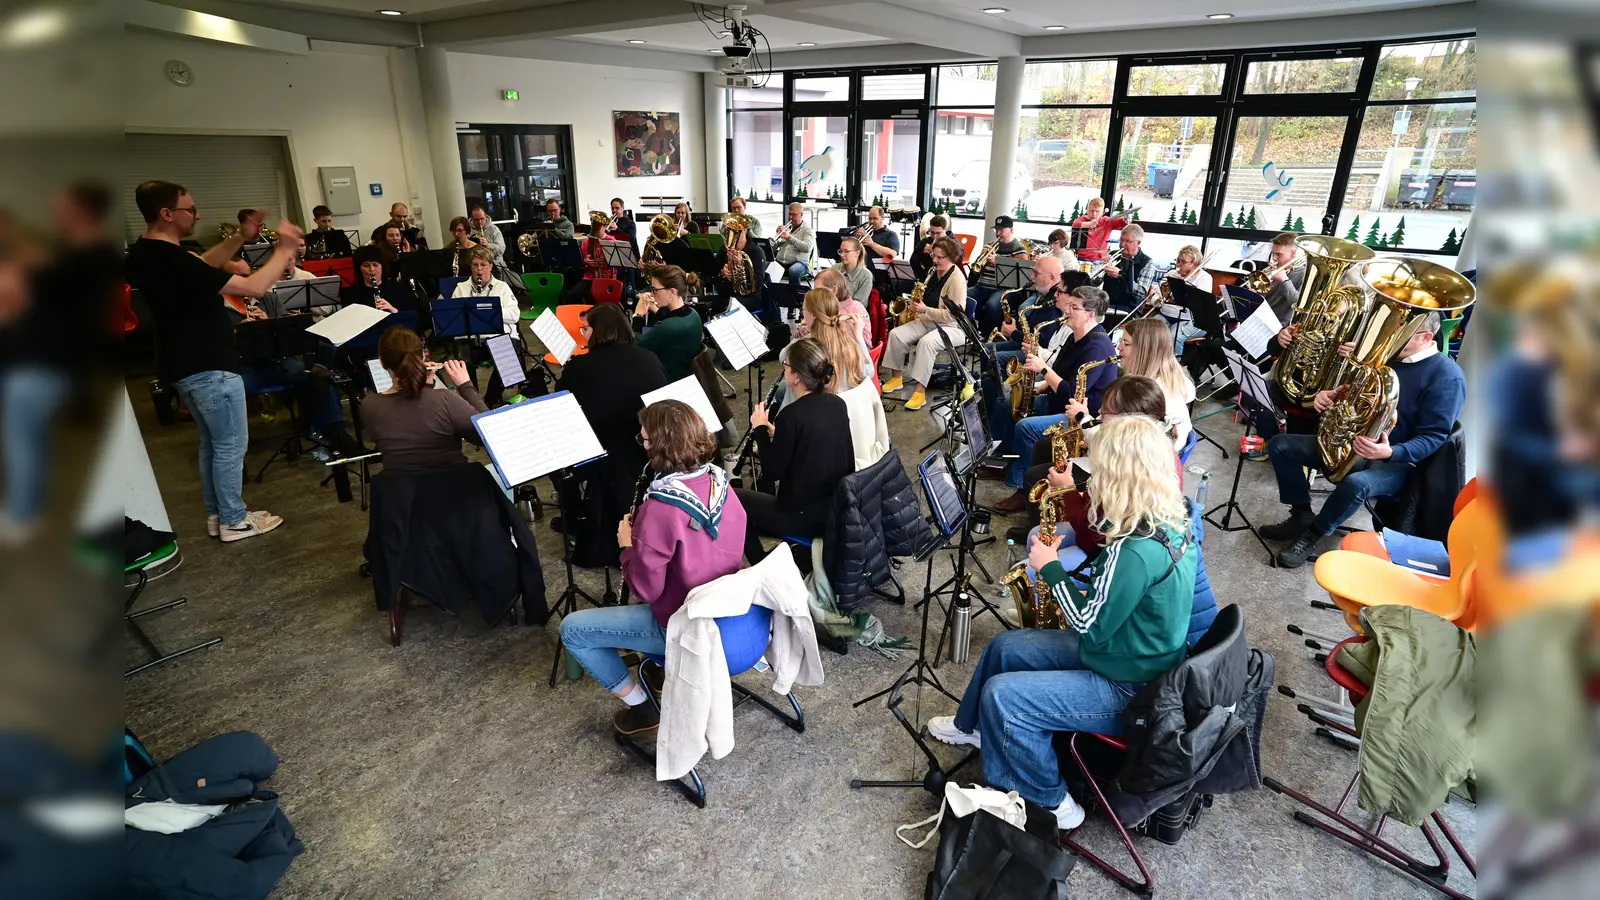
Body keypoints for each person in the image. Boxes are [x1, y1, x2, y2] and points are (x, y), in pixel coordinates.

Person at [925, 414, 1197, 830]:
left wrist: (1050, 567)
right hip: (1127, 656)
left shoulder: (1135, 551)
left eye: (1100, 467)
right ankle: (974, 729)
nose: (1094, 474)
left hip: (1130, 689)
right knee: (1005, 648)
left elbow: (1086, 622)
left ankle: (1050, 801)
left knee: (1004, 697)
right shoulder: (1171, 520)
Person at [125, 179, 301, 542]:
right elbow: (254, 287)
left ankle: (217, 515)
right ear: (166, 213)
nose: (197, 214)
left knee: (213, 444)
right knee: (231, 446)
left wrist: (242, 237)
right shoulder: (175, 262)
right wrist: (283, 250)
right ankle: (234, 520)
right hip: (208, 366)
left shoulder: (146, 253)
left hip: (182, 365)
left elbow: (203, 265)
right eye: (190, 209)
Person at [559, 399, 748, 737]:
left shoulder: (659, 508)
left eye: (644, 439)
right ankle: (661, 672)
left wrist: (628, 546)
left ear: (659, 447)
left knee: (574, 629)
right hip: (732, 615)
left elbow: (648, 590)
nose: (642, 445)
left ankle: (643, 707)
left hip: (683, 625)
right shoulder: (724, 484)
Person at [1263, 312, 1464, 568]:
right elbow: (1351, 393)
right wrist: (1330, 396)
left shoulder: (1447, 377)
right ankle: (1300, 513)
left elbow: (1434, 437)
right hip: (1352, 444)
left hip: (1399, 462)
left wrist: (1390, 452)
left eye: (1401, 335)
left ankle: (1313, 533)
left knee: (1357, 484)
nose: (1391, 339)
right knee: (1281, 446)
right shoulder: (1386, 358)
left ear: (1425, 337)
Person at [0, 181, 119, 544]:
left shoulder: (94, 260)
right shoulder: (63, 256)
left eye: (62, 207)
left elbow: (70, 317)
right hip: (31, 359)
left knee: (22, 438)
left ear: (81, 211)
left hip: (50, 365)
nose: (55, 213)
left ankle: (23, 515)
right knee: (22, 437)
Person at [1005, 375, 1180, 547]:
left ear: (1129, 421)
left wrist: (1068, 491)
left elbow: (1092, 538)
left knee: (1035, 537)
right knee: (1044, 450)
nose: (1101, 411)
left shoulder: (1124, 471)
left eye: (1108, 409)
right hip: (1103, 533)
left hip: (1101, 547)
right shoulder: (1149, 449)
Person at [553, 303, 669, 555]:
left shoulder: (580, 367)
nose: (583, 333)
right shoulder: (649, 358)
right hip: (649, 449)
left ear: (597, 331)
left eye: (585, 328)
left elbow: (561, 406)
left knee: (552, 448)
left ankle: (577, 513)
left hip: (600, 454)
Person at [987, 285, 1116, 507]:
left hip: (1082, 417)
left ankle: (1021, 487)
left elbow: (1073, 392)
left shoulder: (1097, 347)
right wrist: (1038, 388)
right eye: (1068, 305)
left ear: (1090, 315)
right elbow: (1064, 374)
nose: (1067, 310)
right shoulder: (1076, 336)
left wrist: (1043, 369)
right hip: (1060, 401)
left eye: (1074, 307)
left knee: (1026, 427)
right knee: (1011, 403)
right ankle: (1005, 461)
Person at [737, 339, 855, 565]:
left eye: (786, 365)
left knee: (734, 499)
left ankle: (760, 561)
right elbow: (812, 444)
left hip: (802, 515)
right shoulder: (837, 403)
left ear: (798, 377)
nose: (784, 368)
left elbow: (772, 473)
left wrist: (760, 429)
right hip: (835, 508)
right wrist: (777, 434)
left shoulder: (790, 415)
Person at [361, 326, 487, 472]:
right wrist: (465, 386)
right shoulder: (445, 399)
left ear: (382, 363)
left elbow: (409, 427)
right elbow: (487, 435)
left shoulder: (369, 405)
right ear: (423, 357)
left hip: (402, 491)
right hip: (451, 487)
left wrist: (423, 386)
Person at [981, 255, 1068, 447]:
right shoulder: (1046, 294)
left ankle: (994, 424)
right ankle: (988, 414)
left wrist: (1014, 333)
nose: (1031, 275)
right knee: (987, 352)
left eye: (1036, 273)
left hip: (1036, 356)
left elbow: (1041, 342)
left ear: (1052, 277)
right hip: (1032, 351)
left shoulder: (1054, 305)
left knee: (991, 357)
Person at [881, 235, 969, 411]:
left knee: (926, 343)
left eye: (939, 257)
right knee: (896, 334)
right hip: (929, 319)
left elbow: (952, 316)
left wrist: (924, 310)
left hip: (952, 327)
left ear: (951, 257)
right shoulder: (933, 271)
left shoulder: (957, 280)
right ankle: (897, 378)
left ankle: (920, 393)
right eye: (933, 256)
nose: (934, 261)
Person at [777, 288, 872, 410]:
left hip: (814, 412)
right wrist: (859, 337)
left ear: (813, 315)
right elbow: (869, 372)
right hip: (847, 410)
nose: (802, 313)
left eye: (804, 309)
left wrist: (803, 334)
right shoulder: (849, 343)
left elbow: (783, 358)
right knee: (783, 388)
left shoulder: (808, 349)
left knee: (787, 385)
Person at [1116, 317, 1195, 450]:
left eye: (1126, 343)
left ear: (1144, 350)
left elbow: (1120, 446)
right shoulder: (1169, 379)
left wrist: (1084, 419)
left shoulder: (1148, 393)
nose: (1119, 347)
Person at [631, 264, 703, 381]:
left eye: (655, 290)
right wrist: (656, 310)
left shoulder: (667, 327)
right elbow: (673, 318)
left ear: (671, 292)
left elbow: (635, 345)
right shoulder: (693, 314)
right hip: (683, 374)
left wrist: (638, 315)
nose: (652, 293)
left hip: (665, 380)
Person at [969, 215, 1030, 335]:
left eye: (1001, 230)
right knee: (960, 298)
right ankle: (973, 333)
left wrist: (998, 262)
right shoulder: (991, 245)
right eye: (996, 230)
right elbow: (976, 270)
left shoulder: (1019, 249)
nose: (998, 233)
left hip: (1002, 289)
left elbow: (1019, 275)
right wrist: (981, 258)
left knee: (992, 306)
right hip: (981, 287)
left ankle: (989, 338)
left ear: (1011, 230)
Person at [341, 245, 420, 313]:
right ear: (359, 269)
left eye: (375, 265)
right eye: (366, 265)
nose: (371, 269)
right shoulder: (351, 295)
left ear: (382, 267)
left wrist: (394, 311)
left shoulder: (398, 288)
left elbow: (411, 317)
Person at [562, 212, 618, 304]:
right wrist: (585, 262)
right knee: (572, 295)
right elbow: (582, 263)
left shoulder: (611, 240)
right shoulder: (586, 242)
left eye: (599, 225)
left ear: (605, 226)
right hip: (590, 277)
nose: (595, 228)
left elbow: (617, 262)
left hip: (608, 277)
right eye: (593, 224)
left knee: (593, 296)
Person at [1099, 223, 1154, 316]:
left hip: (1129, 308)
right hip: (1106, 302)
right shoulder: (1113, 254)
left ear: (1138, 242)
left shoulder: (1147, 262)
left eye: (1128, 241)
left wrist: (1121, 275)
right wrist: (1100, 269)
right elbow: (1097, 283)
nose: (1122, 244)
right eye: (1121, 240)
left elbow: (1141, 294)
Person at [812, 267, 868, 346]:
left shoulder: (832, 311)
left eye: (819, 290)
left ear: (834, 290)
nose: (815, 295)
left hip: (848, 356)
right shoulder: (859, 305)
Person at [1070, 197, 1127, 261]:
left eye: (1097, 211)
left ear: (1102, 211)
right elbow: (1075, 224)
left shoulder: (1107, 221)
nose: (1094, 214)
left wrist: (1126, 218)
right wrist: (1088, 224)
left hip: (1099, 259)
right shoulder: (1081, 219)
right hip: (1080, 258)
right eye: (1091, 210)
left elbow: (1122, 223)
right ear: (1087, 210)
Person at [773, 202, 815, 287]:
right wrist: (777, 237)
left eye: (794, 215)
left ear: (801, 214)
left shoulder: (808, 230)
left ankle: (795, 297)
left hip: (800, 263)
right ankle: (770, 294)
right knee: (765, 265)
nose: (790, 218)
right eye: (789, 214)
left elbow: (807, 247)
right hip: (781, 261)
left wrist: (789, 237)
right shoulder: (787, 228)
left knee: (793, 270)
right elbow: (773, 248)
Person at [831, 237, 873, 307]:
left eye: (846, 251)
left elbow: (857, 305)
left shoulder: (866, 275)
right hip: (833, 310)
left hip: (854, 314)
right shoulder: (835, 268)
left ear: (857, 253)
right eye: (840, 251)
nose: (842, 255)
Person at [910, 215, 949, 279]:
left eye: (938, 233)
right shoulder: (925, 241)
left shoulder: (952, 243)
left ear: (945, 230)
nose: (935, 236)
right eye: (932, 232)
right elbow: (913, 262)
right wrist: (923, 254)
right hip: (926, 277)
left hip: (945, 278)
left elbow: (956, 262)